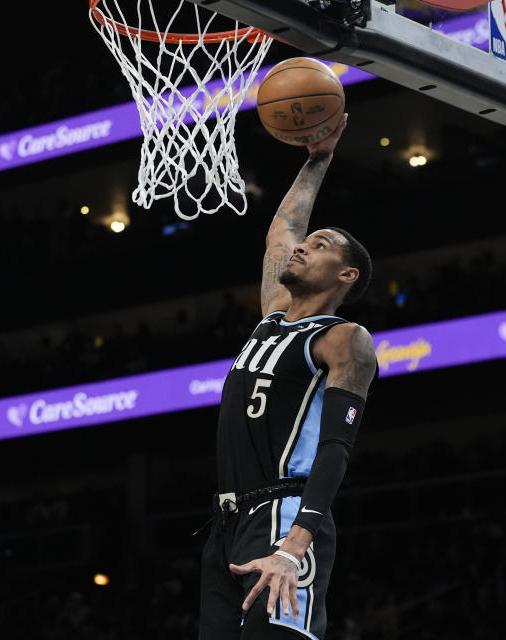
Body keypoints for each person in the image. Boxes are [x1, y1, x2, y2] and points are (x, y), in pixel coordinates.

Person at [199, 114, 377, 640]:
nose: (302, 246)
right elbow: (282, 231)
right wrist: (317, 159)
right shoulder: (273, 315)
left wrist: (297, 542)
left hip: (283, 516)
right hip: (226, 523)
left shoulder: (344, 339)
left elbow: (337, 447)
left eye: (320, 245)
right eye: (308, 241)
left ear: (347, 275)